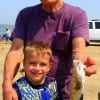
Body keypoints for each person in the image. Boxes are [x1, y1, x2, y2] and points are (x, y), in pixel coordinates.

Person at [2, 0, 96, 100]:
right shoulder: (25, 15)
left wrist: (81, 65)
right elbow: (16, 50)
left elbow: (79, 48)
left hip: (67, 94)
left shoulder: (77, 15)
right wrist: (7, 84)